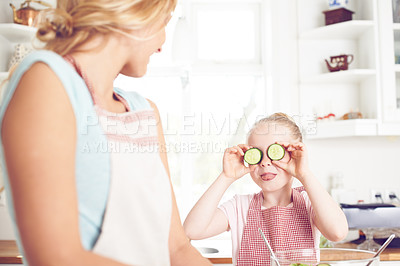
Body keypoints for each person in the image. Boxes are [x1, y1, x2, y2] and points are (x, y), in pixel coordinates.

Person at [0, 1, 212, 265]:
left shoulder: (145, 112)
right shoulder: (46, 82)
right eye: (165, 21)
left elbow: (177, 248)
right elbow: (57, 258)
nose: (162, 43)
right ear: (136, 10)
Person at [183, 113, 348, 265]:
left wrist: (304, 173)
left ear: (295, 154)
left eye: (275, 152)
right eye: (257, 154)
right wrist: (226, 177)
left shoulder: (309, 202)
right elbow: (192, 231)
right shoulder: (239, 207)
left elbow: (338, 232)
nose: (264, 162)